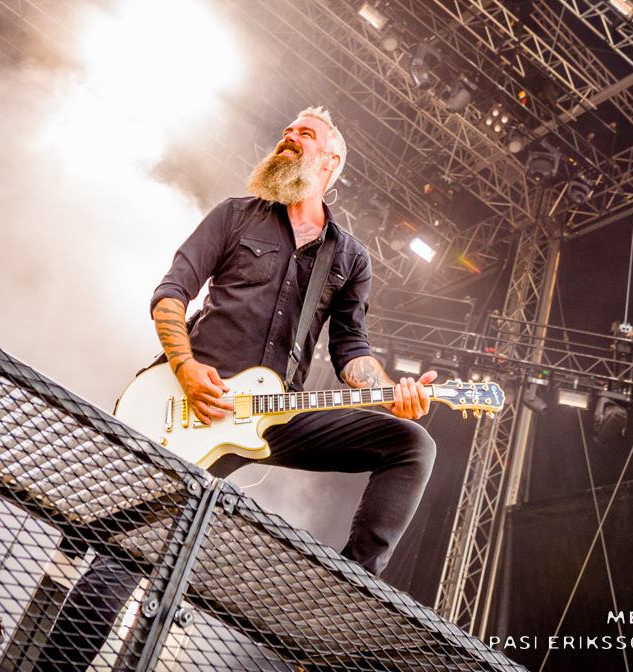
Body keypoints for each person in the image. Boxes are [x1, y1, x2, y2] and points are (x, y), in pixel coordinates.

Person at [44, 107, 436, 669]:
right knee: (125, 558)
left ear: (331, 162)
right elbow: (171, 292)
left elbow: (351, 349)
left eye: (304, 134)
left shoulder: (349, 257)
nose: (288, 138)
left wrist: (391, 391)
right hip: (197, 401)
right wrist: (185, 368)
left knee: (412, 445)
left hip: (275, 414)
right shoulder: (235, 216)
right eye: (286, 131)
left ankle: (348, 592)